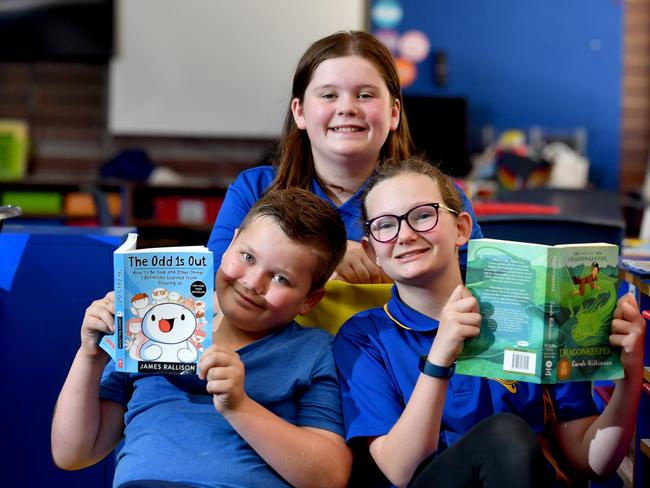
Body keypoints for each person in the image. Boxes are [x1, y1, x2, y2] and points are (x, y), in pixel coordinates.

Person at [333, 157, 645, 487]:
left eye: (423, 215)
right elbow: (401, 470)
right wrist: (440, 357)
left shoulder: (529, 312)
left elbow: (590, 462)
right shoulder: (363, 338)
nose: (406, 234)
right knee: (505, 433)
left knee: (511, 437)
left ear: (462, 229)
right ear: (370, 251)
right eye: (385, 225)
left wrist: (630, 375)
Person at [51, 188, 352, 488]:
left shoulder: (312, 351)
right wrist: (90, 356)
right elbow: (73, 454)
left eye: (281, 279)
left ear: (309, 301)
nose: (252, 283)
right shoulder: (149, 322)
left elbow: (329, 476)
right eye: (247, 257)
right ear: (231, 243)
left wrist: (239, 406)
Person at [207, 30, 483, 284]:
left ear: (394, 113)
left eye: (365, 95)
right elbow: (212, 290)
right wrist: (325, 259)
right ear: (300, 112)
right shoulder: (254, 191)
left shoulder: (441, 199)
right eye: (328, 95)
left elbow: (486, 297)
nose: (347, 108)